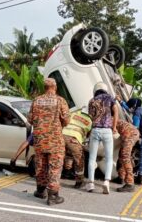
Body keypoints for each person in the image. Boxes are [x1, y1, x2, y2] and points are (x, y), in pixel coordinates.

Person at [27, 78, 70, 206]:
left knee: (41, 165)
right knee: (55, 167)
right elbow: (67, 121)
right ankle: (53, 196)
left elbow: (30, 119)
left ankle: (40, 191)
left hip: (40, 139)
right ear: (55, 87)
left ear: (44, 87)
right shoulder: (60, 100)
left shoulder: (36, 100)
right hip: (55, 140)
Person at [86, 82, 118, 194]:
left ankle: (90, 183)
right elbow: (116, 111)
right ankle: (106, 182)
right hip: (107, 130)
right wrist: (114, 127)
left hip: (95, 130)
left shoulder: (92, 101)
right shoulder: (110, 98)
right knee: (109, 158)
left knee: (92, 158)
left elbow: (91, 117)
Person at [62, 106, 92, 189]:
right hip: (74, 138)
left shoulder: (74, 114)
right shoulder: (90, 121)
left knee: (64, 155)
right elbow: (88, 135)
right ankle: (79, 182)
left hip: (62, 135)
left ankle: (65, 173)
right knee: (79, 159)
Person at [115, 119, 140, 192]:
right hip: (131, 133)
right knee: (121, 155)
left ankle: (130, 183)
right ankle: (121, 177)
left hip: (130, 134)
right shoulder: (110, 118)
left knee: (125, 156)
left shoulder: (107, 121)